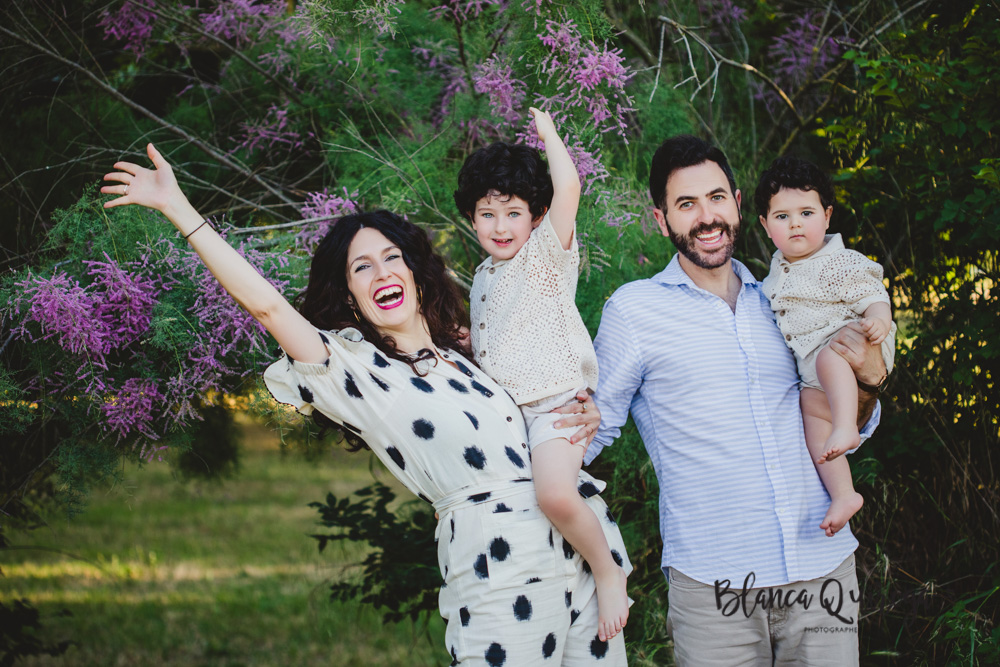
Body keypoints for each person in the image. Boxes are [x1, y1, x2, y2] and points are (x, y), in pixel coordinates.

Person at [102, 144, 622, 666]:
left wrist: (582, 412)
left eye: (392, 258)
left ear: (416, 274)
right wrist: (178, 208)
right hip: (501, 569)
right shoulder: (354, 371)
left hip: (580, 555)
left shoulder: (469, 352)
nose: (382, 273)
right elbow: (266, 305)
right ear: (350, 296)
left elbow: (541, 395)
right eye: (362, 268)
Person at [585, 135, 888, 665]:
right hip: (713, 585)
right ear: (662, 220)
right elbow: (592, 430)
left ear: (739, 203)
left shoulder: (782, 299)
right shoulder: (634, 313)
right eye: (687, 205)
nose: (707, 217)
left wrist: (868, 382)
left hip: (821, 571)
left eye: (717, 198)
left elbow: (847, 416)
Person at [454, 108, 631, 646]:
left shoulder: (544, 256)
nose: (501, 227)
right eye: (487, 214)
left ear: (537, 215)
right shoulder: (484, 275)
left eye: (513, 212)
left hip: (556, 407)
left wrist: (549, 134)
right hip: (512, 419)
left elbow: (569, 185)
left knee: (555, 496)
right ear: (472, 217)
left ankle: (608, 571)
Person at [755, 156, 896, 537]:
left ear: (827, 216)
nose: (795, 223)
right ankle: (844, 493)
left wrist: (879, 319)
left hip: (850, 345)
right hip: (816, 372)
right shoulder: (774, 273)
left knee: (831, 357)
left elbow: (873, 293)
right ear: (766, 226)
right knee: (812, 418)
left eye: (806, 212)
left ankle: (847, 426)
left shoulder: (839, 263)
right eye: (782, 217)